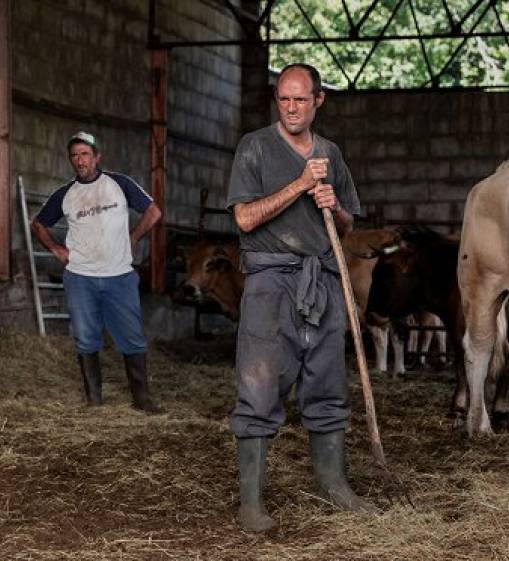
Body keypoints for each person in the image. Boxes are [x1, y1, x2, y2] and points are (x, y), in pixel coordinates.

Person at [226, 63, 374, 532]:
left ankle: (333, 483)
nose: (291, 108)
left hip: (323, 280)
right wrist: (300, 186)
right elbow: (245, 219)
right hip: (271, 284)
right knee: (260, 385)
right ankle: (251, 503)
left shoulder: (330, 153)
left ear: (319, 100)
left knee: (327, 381)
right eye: (283, 99)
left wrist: (335, 207)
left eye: (300, 100)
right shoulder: (255, 147)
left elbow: (348, 226)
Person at [31, 131, 163, 412]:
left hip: (119, 275)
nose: (80, 160)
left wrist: (135, 236)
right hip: (81, 276)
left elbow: (153, 212)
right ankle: (94, 401)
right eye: (75, 156)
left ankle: (142, 400)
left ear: (97, 157)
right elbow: (38, 224)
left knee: (131, 335)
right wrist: (56, 249)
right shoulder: (65, 194)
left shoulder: (119, 184)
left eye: (85, 155)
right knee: (85, 335)